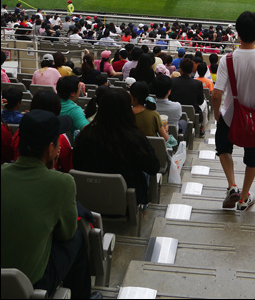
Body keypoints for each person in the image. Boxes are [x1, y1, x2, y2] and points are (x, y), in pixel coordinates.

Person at [1, 110, 95, 299]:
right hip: (31, 283)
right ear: (51, 149)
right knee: (77, 238)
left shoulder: (3, 171)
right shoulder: (62, 182)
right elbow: (66, 233)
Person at [211, 11, 255, 211]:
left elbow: (216, 95)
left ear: (237, 32)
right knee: (253, 158)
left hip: (230, 116)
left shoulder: (227, 59)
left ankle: (232, 185)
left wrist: (217, 114)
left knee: (223, 148)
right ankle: (243, 198)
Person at [73, 88, 159, 206]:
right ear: (127, 110)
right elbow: (153, 167)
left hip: (89, 201)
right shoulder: (135, 138)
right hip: (127, 204)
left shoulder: (85, 135)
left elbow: (77, 164)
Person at [169, 57, 206, 135]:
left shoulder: (172, 81)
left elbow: (170, 98)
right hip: (192, 112)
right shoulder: (197, 83)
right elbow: (200, 101)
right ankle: (202, 127)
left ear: (180, 69)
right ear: (192, 69)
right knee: (204, 103)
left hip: (174, 110)